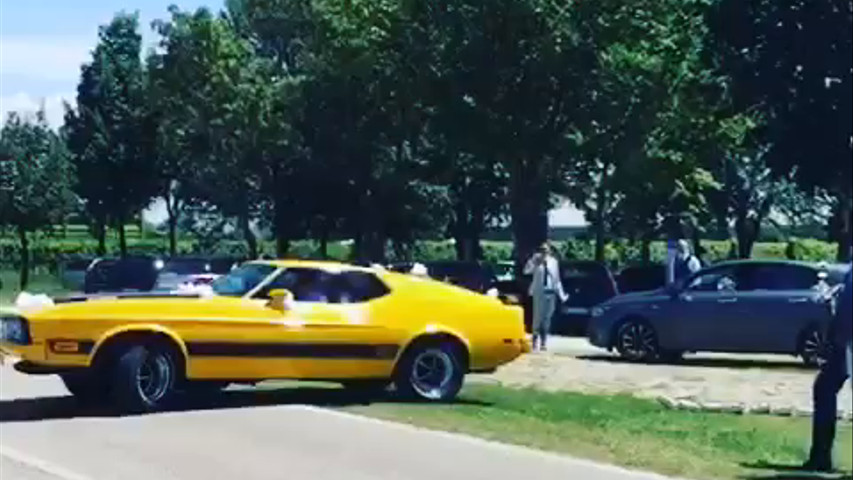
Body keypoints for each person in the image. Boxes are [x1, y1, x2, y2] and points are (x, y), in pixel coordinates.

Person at [803, 264, 852, 472]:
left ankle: (821, 457)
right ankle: (820, 457)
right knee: (823, 389)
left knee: (824, 389)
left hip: (847, 341)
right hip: (844, 342)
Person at [523, 242, 567, 352]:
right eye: (542, 250)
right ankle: (534, 341)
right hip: (539, 292)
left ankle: (544, 342)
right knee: (537, 318)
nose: (544, 252)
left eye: (546, 250)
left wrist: (561, 295)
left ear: (549, 251)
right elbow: (526, 271)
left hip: (551, 292)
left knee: (547, 319)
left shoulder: (553, 262)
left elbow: (556, 279)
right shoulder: (536, 261)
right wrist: (533, 262)